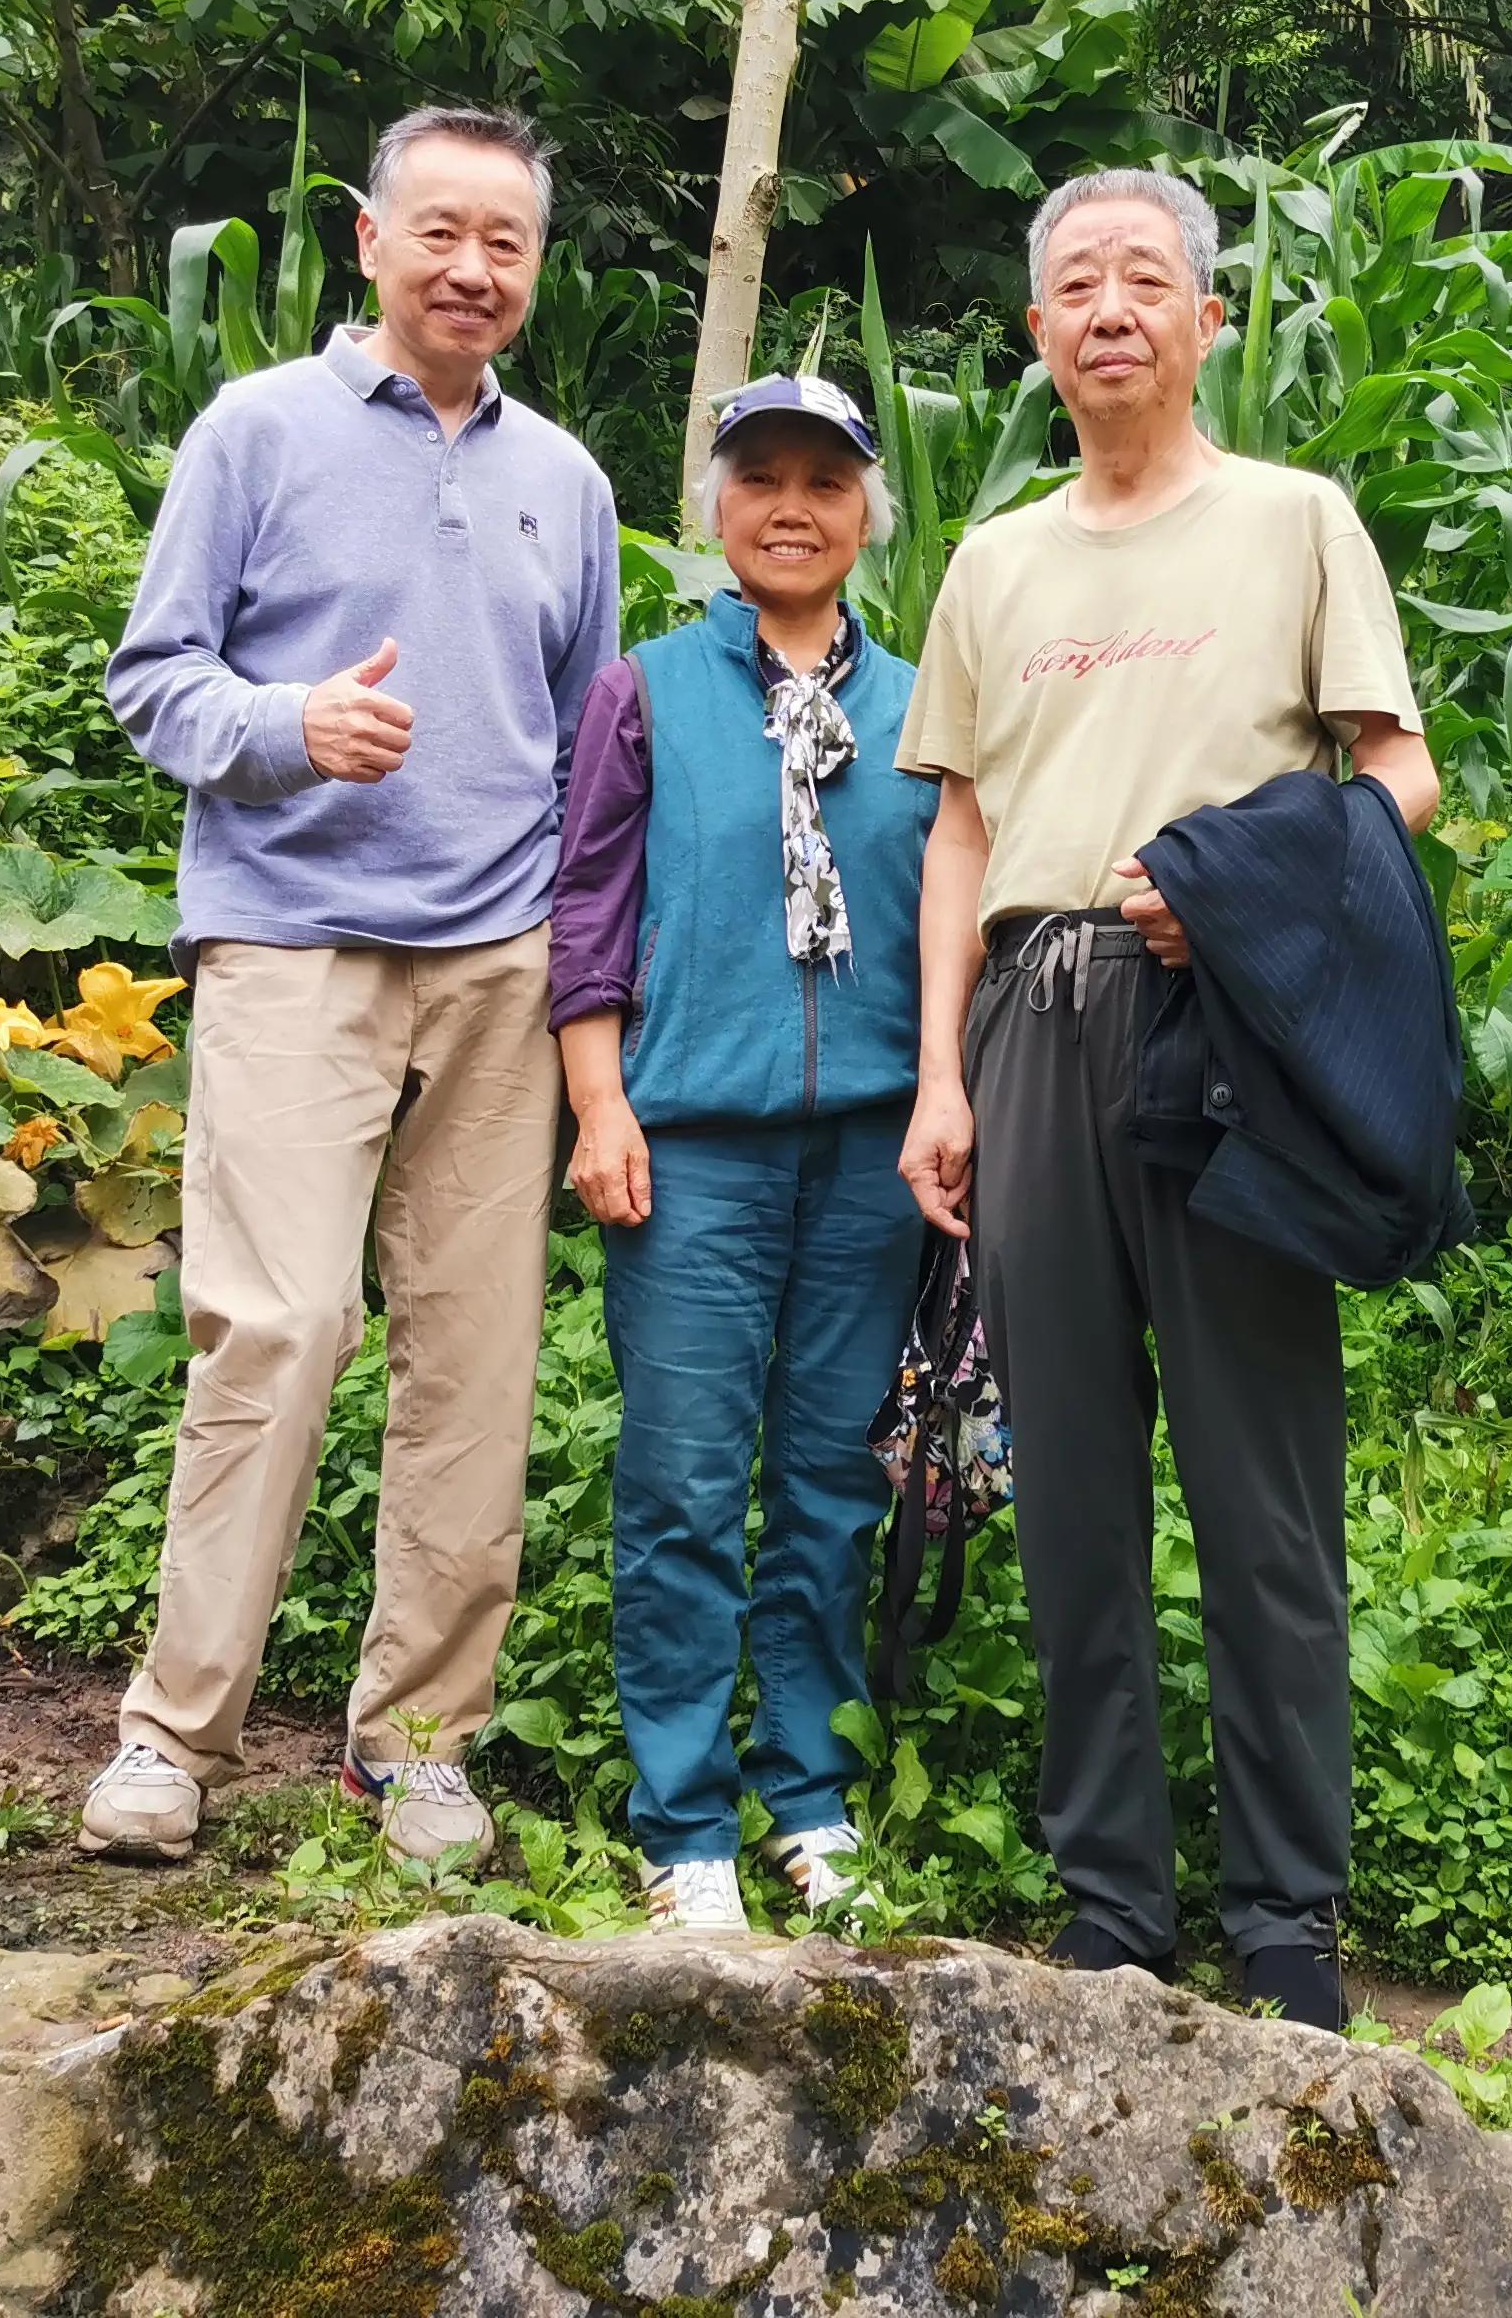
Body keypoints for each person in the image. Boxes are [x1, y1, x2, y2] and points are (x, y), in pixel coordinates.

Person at [894, 167, 1438, 2031]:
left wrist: (1237, 889)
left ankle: (1287, 1917)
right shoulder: (994, 564)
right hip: (1032, 1020)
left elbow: (1398, 773)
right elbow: (959, 835)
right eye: (1075, 284)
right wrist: (939, 1079)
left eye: (1147, 279)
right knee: (1068, 1488)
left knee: (1261, 1485)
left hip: (1223, 1028)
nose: (1110, 308)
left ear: (1210, 320)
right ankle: (1111, 1901)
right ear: (1037, 333)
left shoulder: (1293, 520)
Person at [77, 103, 620, 1866]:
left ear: (535, 267)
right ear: (370, 240)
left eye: (505, 242)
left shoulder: (567, 480)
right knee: (280, 1325)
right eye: (439, 232)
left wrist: (579, 965)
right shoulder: (259, 430)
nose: (472, 268)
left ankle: (419, 1746)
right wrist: (288, 726)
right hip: (292, 942)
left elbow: (588, 753)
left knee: (476, 1353)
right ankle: (172, 1733)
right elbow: (153, 679)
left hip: (500, 964)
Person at [547, 374, 935, 1934]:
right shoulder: (644, 691)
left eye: (825, 483)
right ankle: (685, 1821)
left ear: (866, 516)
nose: (791, 507)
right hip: (689, 1149)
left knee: (836, 1484)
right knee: (686, 1484)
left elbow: (957, 923)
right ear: (715, 506)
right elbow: (587, 914)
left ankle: (811, 1798)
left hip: (873, 1154)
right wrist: (600, 1104)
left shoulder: (925, 706)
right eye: (760, 477)